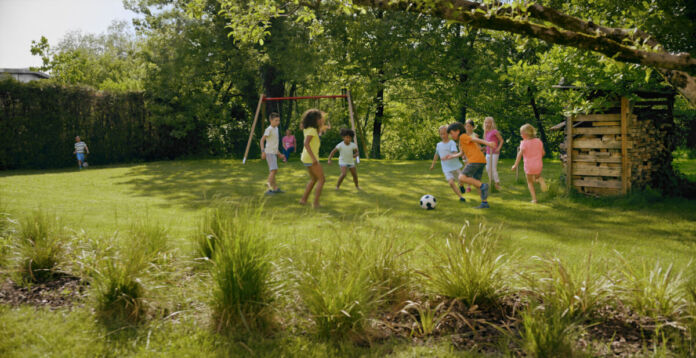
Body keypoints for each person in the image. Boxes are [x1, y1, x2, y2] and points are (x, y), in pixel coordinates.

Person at [446, 122, 497, 209]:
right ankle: (484, 203)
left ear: (457, 131)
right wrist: (452, 156)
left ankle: (483, 186)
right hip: (480, 160)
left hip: (475, 160)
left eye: (451, 133)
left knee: (461, 177)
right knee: (477, 183)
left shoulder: (463, 136)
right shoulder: (461, 141)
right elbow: (461, 153)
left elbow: (475, 140)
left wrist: (488, 143)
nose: (451, 136)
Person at [511, 124, 547, 203]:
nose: (520, 135)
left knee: (530, 182)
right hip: (538, 164)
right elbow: (543, 153)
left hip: (529, 165)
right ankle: (540, 180)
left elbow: (519, 155)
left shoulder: (524, 143)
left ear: (525, 134)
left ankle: (534, 199)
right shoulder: (538, 141)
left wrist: (515, 165)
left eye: (521, 133)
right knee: (536, 178)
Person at [430, 125, 466, 202]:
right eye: (441, 134)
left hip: (455, 166)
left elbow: (455, 153)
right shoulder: (438, 145)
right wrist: (433, 164)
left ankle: (461, 185)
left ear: (448, 134)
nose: (443, 135)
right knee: (451, 183)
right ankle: (461, 197)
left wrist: (448, 156)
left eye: (444, 133)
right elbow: (436, 155)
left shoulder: (451, 142)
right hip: (446, 168)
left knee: (461, 180)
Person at [300, 109, 326, 208]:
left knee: (314, 179)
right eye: (320, 118)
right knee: (322, 179)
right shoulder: (311, 130)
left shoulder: (310, 129)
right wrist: (314, 158)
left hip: (306, 157)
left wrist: (322, 121)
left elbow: (321, 127)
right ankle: (315, 203)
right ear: (315, 119)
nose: (321, 120)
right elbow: (306, 143)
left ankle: (303, 200)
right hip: (311, 158)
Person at [260, 113, 285, 194]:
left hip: (273, 152)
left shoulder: (276, 128)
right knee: (273, 170)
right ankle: (268, 189)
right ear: (271, 120)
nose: (278, 122)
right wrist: (263, 151)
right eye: (276, 120)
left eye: (278, 120)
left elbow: (274, 144)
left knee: (273, 170)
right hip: (269, 153)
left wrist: (279, 153)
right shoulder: (269, 129)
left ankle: (275, 188)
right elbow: (262, 141)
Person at [483, 116, 504, 191]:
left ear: (492, 123)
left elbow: (501, 140)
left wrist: (498, 148)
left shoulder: (494, 131)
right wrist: (485, 148)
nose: (487, 124)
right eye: (485, 122)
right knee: (488, 168)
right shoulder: (486, 132)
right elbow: (486, 142)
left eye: (488, 122)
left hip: (494, 153)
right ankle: (491, 182)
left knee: (493, 168)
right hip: (488, 153)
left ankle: (497, 183)